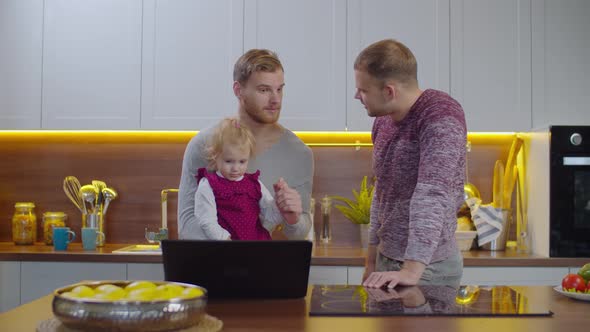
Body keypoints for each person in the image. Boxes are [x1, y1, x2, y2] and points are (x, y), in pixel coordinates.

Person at [354, 39, 466, 289]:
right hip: (388, 263)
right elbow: (381, 194)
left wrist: (411, 270)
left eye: (363, 90)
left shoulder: (440, 115)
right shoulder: (383, 121)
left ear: (389, 91)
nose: (356, 96)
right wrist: (371, 262)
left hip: (428, 269)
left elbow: (433, 193)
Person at [178, 49, 313, 240]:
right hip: (212, 267)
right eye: (264, 90)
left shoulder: (299, 153)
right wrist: (234, 249)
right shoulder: (205, 144)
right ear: (238, 90)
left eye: (279, 89)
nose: (276, 100)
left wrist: (293, 219)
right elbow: (187, 225)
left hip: (268, 266)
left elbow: (300, 233)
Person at [194, 117, 293, 240]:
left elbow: (271, 217)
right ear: (215, 156)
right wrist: (225, 240)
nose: (235, 168)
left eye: (242, 161)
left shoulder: (254, 184)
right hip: (226, 249)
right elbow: (207, 221)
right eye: (229, 161)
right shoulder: (208, 185)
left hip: (257, 246)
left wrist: (279, 201)